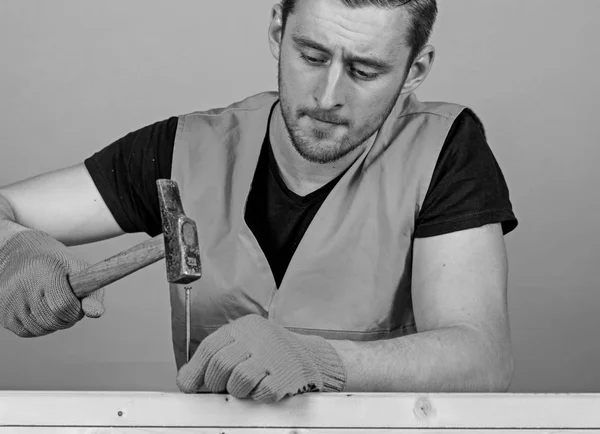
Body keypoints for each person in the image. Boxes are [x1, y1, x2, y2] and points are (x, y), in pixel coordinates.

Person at [0, 0, 518, 403]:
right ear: (277, 30)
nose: (327, 95)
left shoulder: (444, 150)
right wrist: (12, 248)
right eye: (312, 56)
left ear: (416, 69)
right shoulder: (185, 149)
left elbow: (480, 359)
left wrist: (322, 361)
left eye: (365, 71)